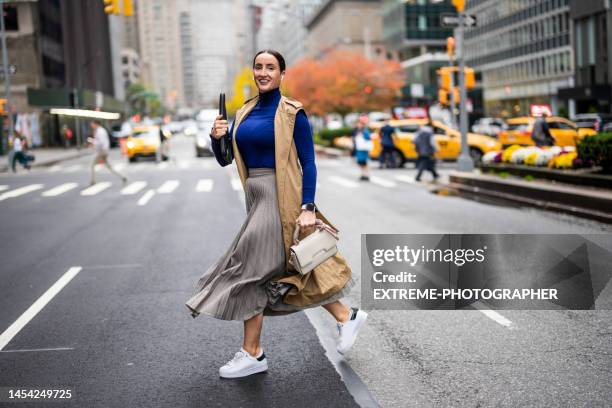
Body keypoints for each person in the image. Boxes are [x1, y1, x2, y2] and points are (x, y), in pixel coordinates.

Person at [185, 50, 366, 379]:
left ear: (282, 74)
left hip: (282, 196)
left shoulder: (292, 112)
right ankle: (344, 315)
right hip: (256, 196)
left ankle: (253, 352)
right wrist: (217, 139)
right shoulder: (244, 112)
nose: (263, 72)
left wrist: (308, 207)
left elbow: (308, 162)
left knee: (249, 267)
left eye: (271, 67)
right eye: (259, 67)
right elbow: (226, 160)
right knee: (279, 268)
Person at [87, 120, 127, 186]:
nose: (91, 126)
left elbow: (101, 142)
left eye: (92, 124)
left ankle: (93, 181)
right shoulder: (100, 130)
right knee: (110, 166)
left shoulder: (100, 131)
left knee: (92, 164)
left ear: (96, 124)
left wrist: (93, 142)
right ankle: (122, 176)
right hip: (104, 151)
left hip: (102, 151)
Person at [413, 115, 439, 182]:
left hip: (420, 150)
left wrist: (417, 148)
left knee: (428, 163)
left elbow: (414, 140)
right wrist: (437, 149)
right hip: (427, 151)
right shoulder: (429, 133)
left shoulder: (419, 132)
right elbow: (432, 142)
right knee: (424, 163)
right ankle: (418, 176)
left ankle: (435, 174)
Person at [354, 116, 372, 181]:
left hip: (363, 149)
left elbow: (368, 138)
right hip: (359, 149)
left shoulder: (365, 131)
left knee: (364, 163)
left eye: (359, 124)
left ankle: (366, 175)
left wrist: (362, 136)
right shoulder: (358, 131)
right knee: (360, 163)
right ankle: (363, 174)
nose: (358, 125)